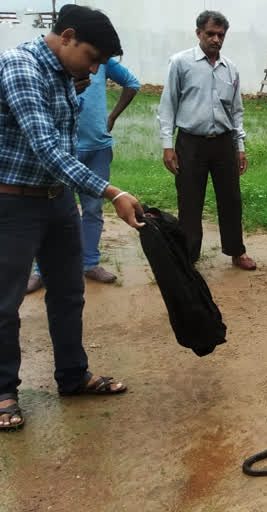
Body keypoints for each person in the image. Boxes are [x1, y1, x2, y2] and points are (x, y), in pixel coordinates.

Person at [0, 5, 144, 432]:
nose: (95, 67)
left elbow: (66, 138)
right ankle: (5, 391)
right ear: (66, 36)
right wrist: (111, 191)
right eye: (92, 56)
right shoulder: (19, 66)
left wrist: (78, 86)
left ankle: (72, 376)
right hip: (13, 203)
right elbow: (47, 147)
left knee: (67, 293)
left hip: (57, 199)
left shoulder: (66, 73)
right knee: (5, 303)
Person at [27, 57, 140, 293]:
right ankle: (40, 270)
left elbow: (132, 83)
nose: (93, 68)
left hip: (97, 147)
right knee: (51, 209)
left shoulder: (103, 62)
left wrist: (111, 117)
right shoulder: (56, 62)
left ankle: (89, 263)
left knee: (93, 208)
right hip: (61, 149)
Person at [158, 10, 256, 270]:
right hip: (190, 143)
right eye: (210, 34)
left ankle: (237, 251)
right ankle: (189, 257)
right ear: (198, 33)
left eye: (220, 35)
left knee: (231, 199)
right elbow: (168, 105)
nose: (215, 40)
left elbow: (236, 112)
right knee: (190, 201)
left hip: (223, 143)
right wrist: (168, 146)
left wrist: (240, 148)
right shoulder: (180, 63)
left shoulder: (230, 68)